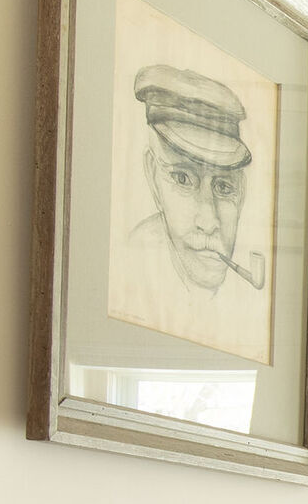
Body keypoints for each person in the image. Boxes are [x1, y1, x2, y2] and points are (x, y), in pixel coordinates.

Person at [111, 62, 270, 358]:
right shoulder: (127, 273)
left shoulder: (252, 310)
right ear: (152, 178)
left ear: (242, 193)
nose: (209, 221)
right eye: (183, 179)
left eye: (224, 187)